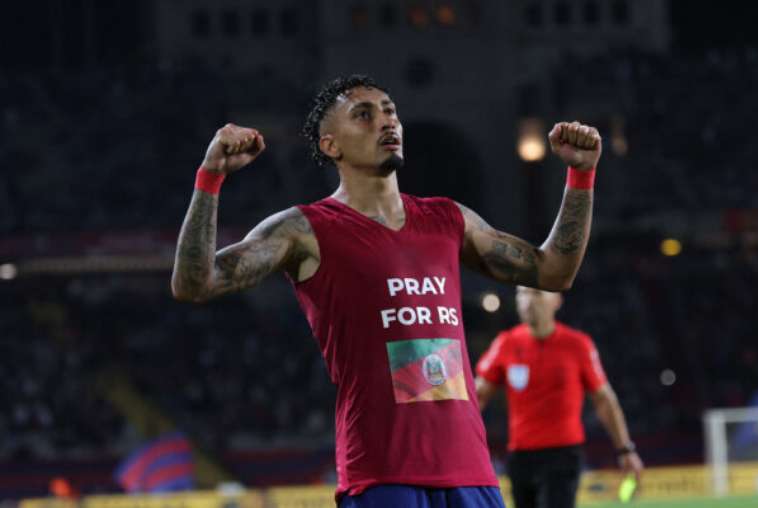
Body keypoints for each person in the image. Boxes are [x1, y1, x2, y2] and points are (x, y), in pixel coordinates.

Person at [171, 74, 602, 508]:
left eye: (390, 111)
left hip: (472, 472)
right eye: (364, 115)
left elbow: (553, 272)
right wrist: (210, 180)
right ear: (330, 145)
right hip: (382, 477)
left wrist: (580, 177)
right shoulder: (305, 229)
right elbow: (196, 282)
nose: (386, 122)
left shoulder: (448, 219)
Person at [475, 286, 644, 508]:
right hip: (520, 456)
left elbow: (604, 400)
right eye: (521, 293)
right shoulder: (506, 343)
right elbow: (477, 398)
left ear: (556, 300)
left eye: (536, 293)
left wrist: (625, 450)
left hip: (562, 455)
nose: (527, 301)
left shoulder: (578, 345)